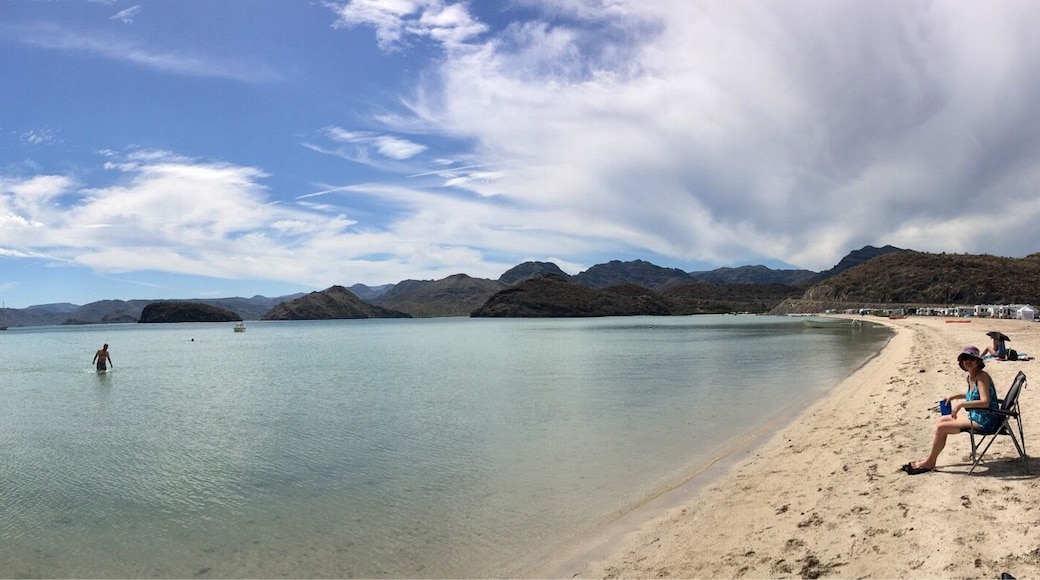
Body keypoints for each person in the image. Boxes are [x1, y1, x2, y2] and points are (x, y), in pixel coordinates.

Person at [902, 345, 1000, 475]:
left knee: (941, 428)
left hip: (986, 420)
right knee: (942, 420)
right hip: (977, 416)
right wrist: (954, 396)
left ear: (978, 361)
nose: (968, 361)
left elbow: (985, 401)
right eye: (965, 358)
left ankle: (930, 462)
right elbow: (972, 395)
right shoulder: (971, 376)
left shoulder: (981, 377)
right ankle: (930, 458)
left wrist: (960, 405)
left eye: (971, 358)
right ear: (961, 362)